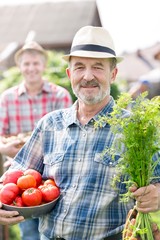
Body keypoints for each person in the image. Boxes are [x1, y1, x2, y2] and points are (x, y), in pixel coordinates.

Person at [0, 26, 160, 240]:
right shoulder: (50, 124)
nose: (87, 76)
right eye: (79, 67)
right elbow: (17, 173)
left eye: (97, 67)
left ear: (113, 74)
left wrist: (157, 194)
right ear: (69, 74)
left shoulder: (135, 129)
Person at [0, 41, 72, 240]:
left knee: (56, 231)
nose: (31, 68)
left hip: (53, 177)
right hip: (19, 180)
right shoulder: (7, 98)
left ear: (43, 66)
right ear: (20, 67)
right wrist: (6, 148)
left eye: (35, 63)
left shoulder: (60, 96)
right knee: (30, 232)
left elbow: (68, 138)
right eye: (26, 64)